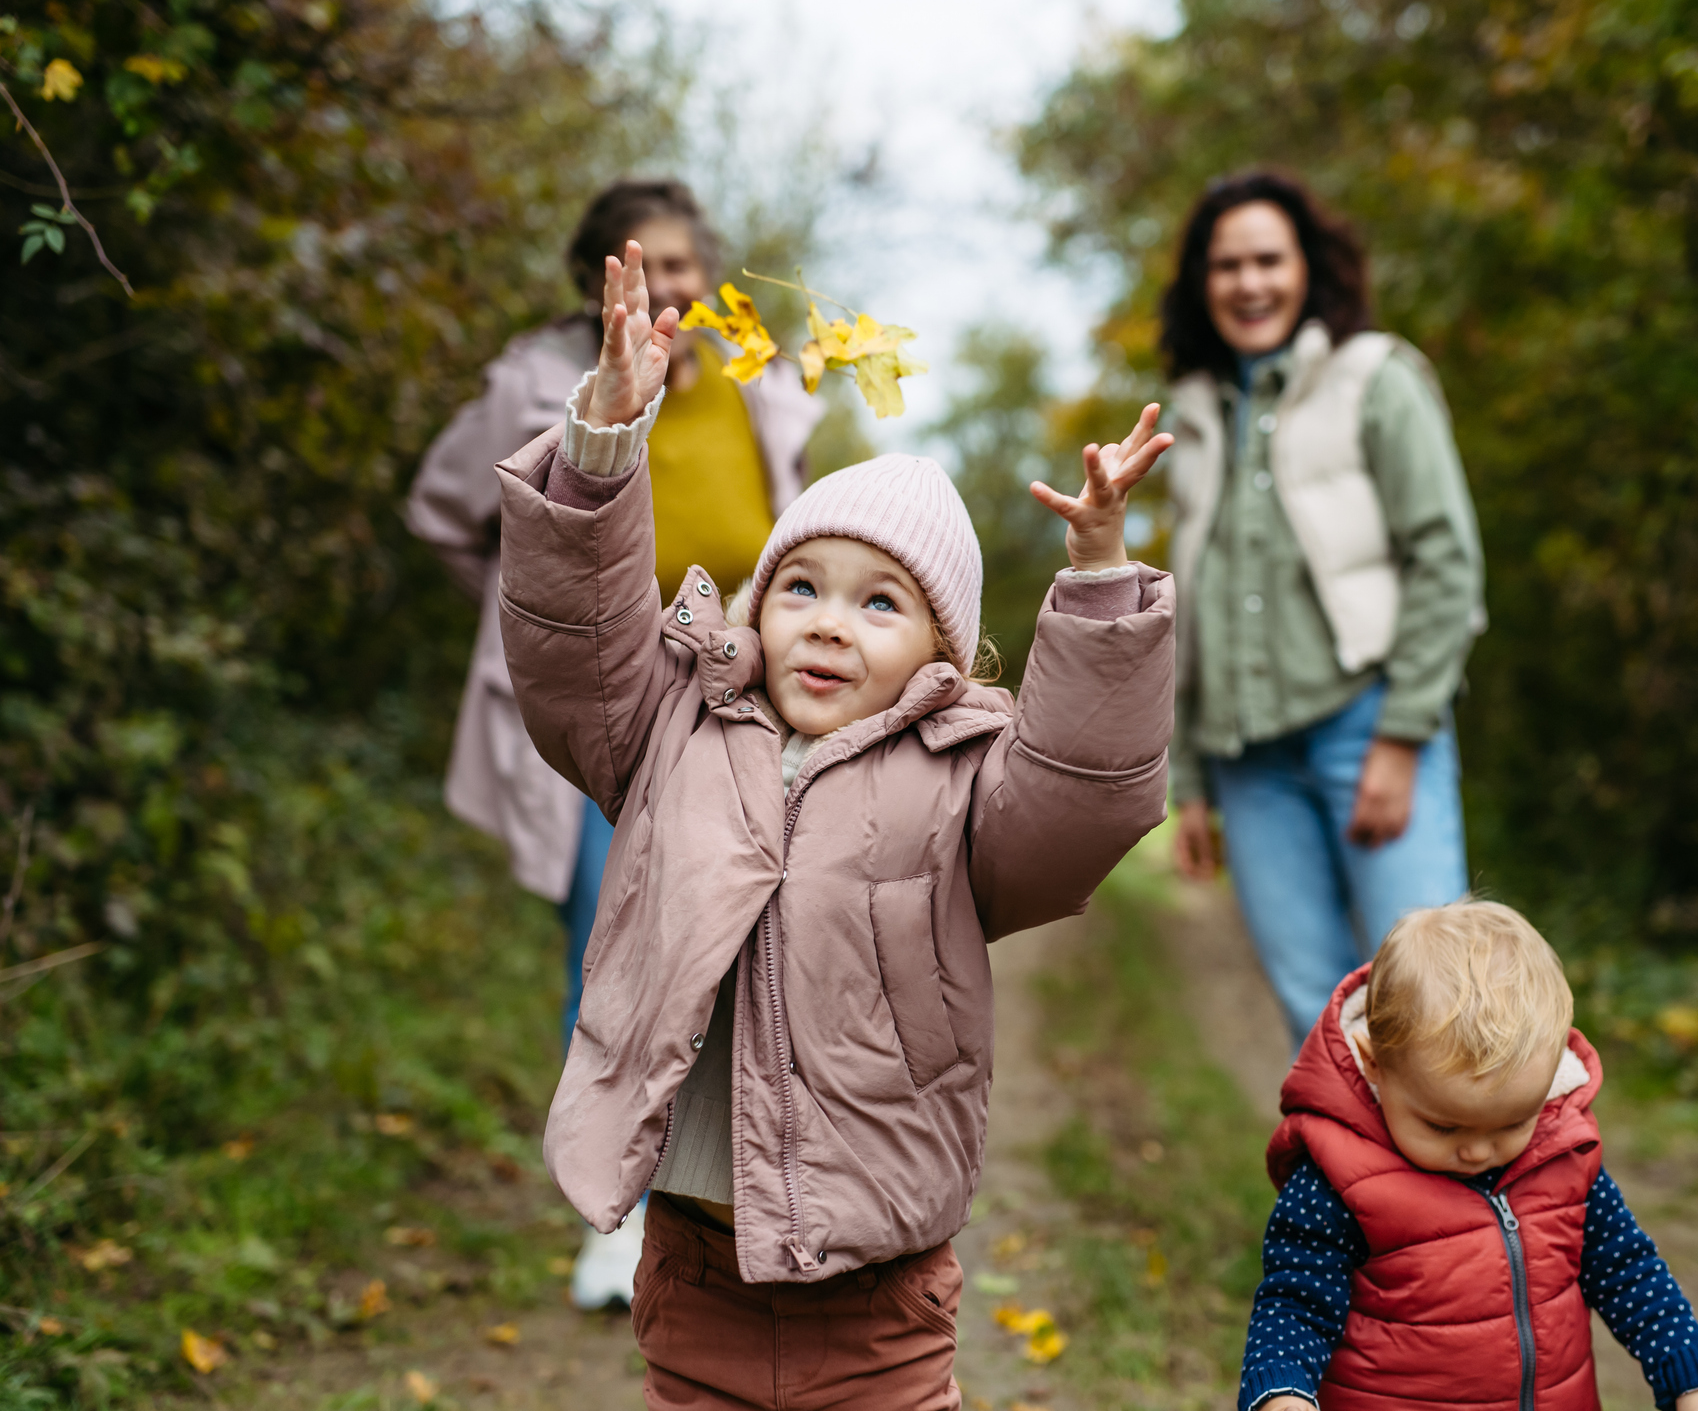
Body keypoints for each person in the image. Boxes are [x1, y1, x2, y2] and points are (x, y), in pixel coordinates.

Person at [495, 241, 1177, 1407]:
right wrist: (604, 445)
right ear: (760, 601)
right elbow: (574, 649)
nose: (828, 624)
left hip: (878, 1289)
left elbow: (1084, 795)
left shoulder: (965, 776)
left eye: (881, 602)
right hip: (696, 1252)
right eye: (802, 585)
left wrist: (1102, 578)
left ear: (942, 651)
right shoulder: (674, 722)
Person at [406, 181, 821, 1309]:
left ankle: (728, 1202)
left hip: (742, 708)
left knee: (745, 942)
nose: (672, 287)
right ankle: (612, 1218)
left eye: (688, 265)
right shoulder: (535, 385)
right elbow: (444, 510)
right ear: (602, 280)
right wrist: (525, 618)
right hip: (607, 712)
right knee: (614, 950)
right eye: (648, 266)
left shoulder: (760, 378)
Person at [1159, 171, 1485, 1043]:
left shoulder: (1376, 378)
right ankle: (1354, 1188)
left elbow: (1445, 562)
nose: (1248, 283)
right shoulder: (1190, 416)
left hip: (1368, 728)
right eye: (1226, 265)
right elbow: (1189, 604)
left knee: (1433, 1012)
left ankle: (1483, 1185)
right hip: (1247, 766)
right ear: (1201, 282)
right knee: (1320, 1025)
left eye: (1268, 259)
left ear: (1309, 267)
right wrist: (1188, 781)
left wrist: (1401, 736)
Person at [1242, 900, 1698, 1411]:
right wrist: (1283, 1393)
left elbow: (1629, 1273)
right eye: (1442, 1124)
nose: (1478, 1150)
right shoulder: (1337, 1178)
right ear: (1375, 1062)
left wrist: (1690, 1375)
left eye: (1511, 1123)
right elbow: (1295, 1304)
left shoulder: (1564, 1153)